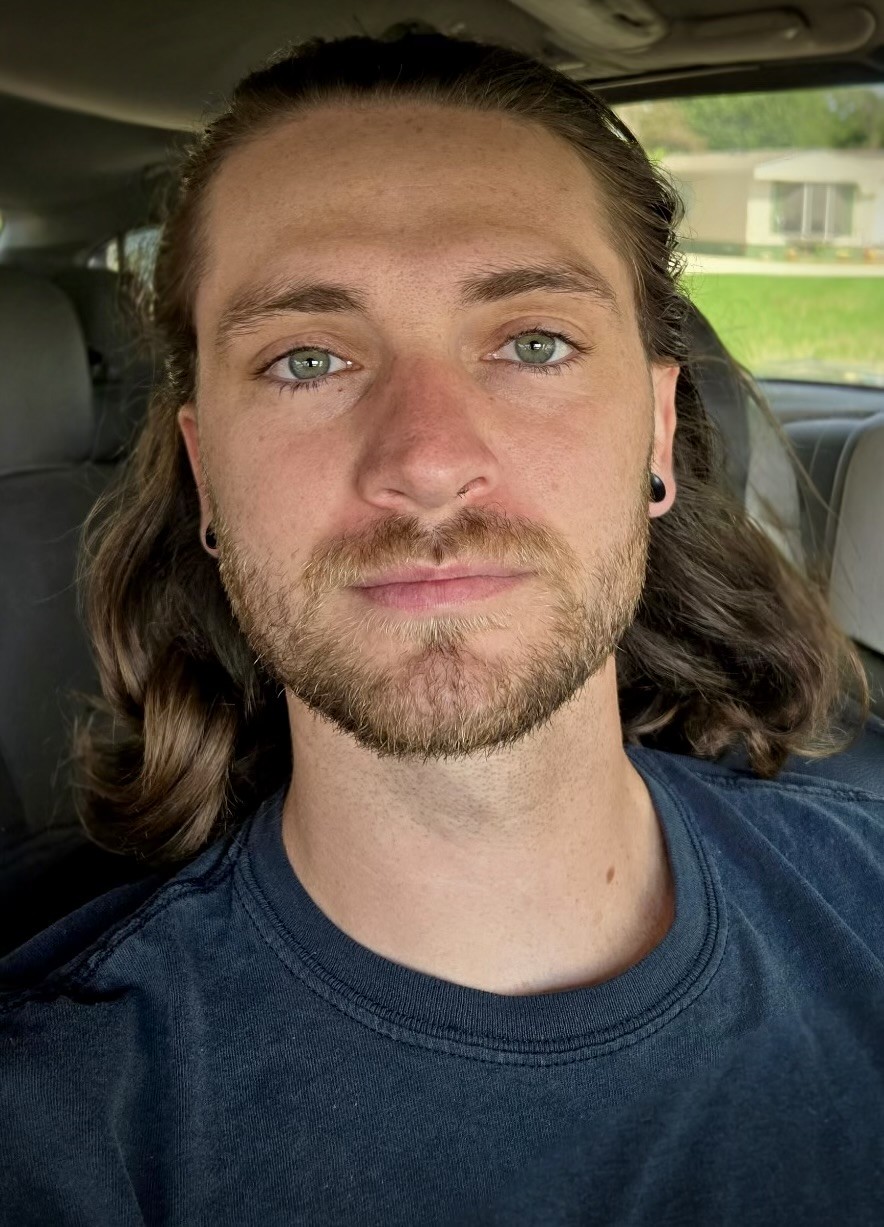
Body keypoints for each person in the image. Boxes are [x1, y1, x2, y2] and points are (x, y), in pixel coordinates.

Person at [2, 29, 882, 1227]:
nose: (424, 461)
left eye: (533, 344)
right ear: (207, 475)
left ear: (654, 432)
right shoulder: (55, 1119)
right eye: (306, 360)